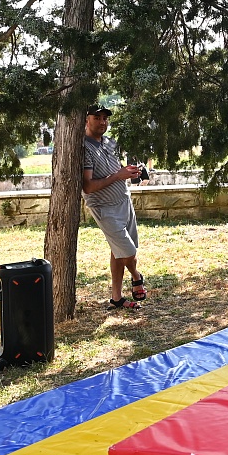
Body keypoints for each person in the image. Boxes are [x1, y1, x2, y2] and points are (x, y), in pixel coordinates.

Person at [82, 105, 146, 310]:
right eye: (97, 118)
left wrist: (129, 172)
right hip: (104, 207)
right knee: (128, 251)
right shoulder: (84, 148)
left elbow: (116, 170)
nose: (102, 122)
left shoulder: (110, 143)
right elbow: (88, 187)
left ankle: (116, 298)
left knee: (119, 251)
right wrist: (119, 175)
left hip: (124, 201)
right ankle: (137, 277)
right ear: (86, 120)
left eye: (105, 118)